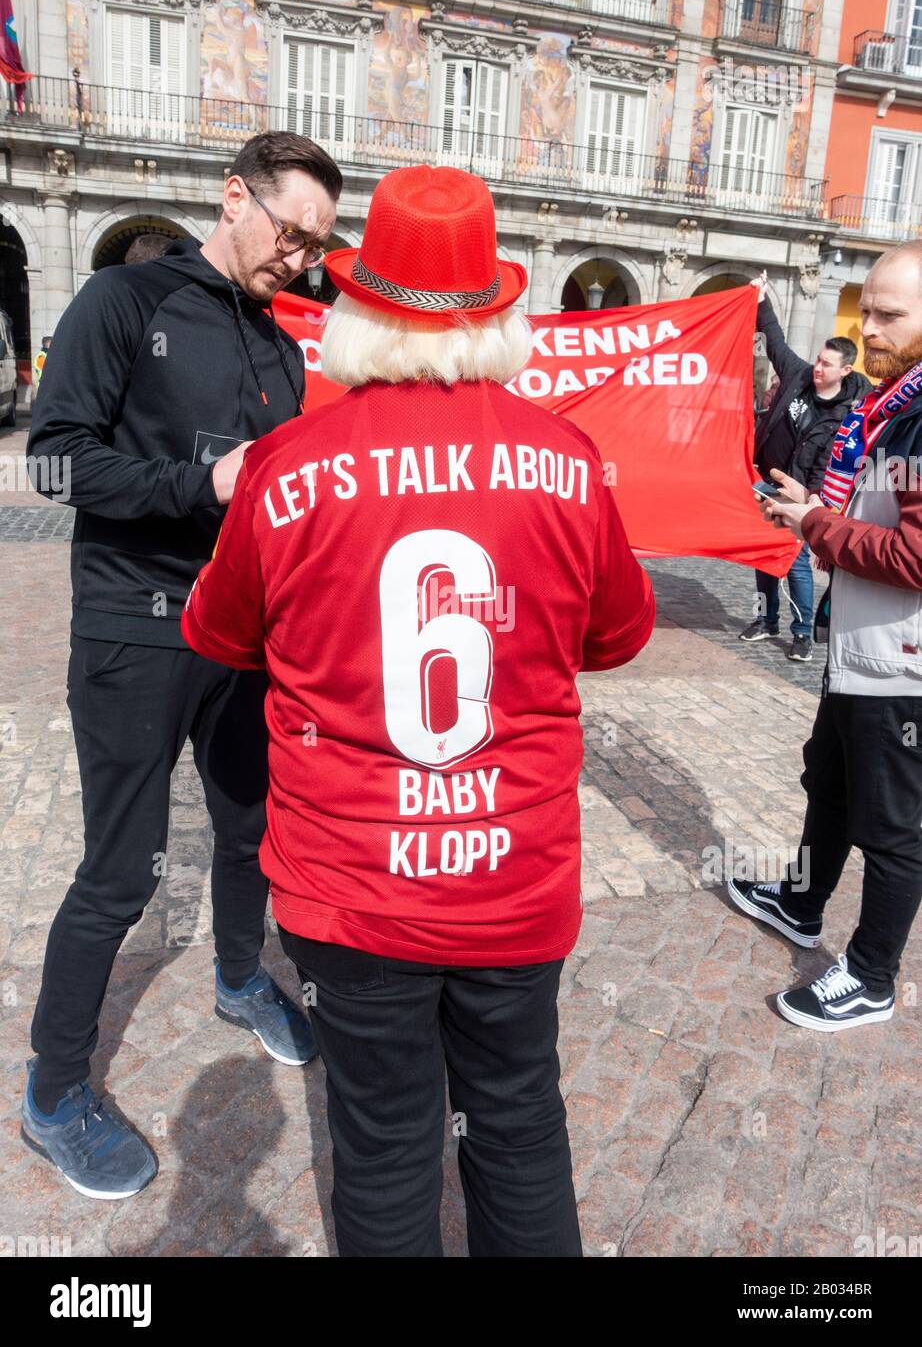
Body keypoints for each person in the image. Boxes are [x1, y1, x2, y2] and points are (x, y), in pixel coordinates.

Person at [181, 164, 656, 1256]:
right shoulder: (568, 463)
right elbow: (620, 636)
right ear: (494, 311)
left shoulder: (289, 464)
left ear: (358, 308)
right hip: (512, 874)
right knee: (520, 1122)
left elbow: (215, 630)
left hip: (353, 887)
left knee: (387, 1143)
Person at [20, 131, 342, 1200]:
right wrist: (201, 486)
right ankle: (53, 1092)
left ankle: (243, 978)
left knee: (255, 828)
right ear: (232, 196)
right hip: (133, 625)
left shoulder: (286, 344)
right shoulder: (126, 300)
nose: (297, 256)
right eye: (288, 231)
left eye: (315, 244)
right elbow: (55, 458)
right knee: (122, 871)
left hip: (243, 635)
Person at [730, 240, 922, 1031]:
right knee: (829, 785)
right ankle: (802, 902)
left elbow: (914, 557)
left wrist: (813, 525)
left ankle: (873, 975)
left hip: (903, 668)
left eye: (888, 314)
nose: (867, 327)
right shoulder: (896, 404)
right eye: (867, 309)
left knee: (893, 827)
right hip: (861, 654)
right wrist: (816, 504)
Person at [739, 271, 871, 662]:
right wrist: (761, 298)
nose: (818, 368)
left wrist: (812, 497)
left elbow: (834, 461)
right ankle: (766, 620)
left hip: (800, 495)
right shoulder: (798, 376)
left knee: (796, 566)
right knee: (763, 557)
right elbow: (774, 338)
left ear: (845, 370)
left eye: (827, 365)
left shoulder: (849, 413)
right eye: (818, 359)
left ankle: (801, 634)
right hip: (765, 483)